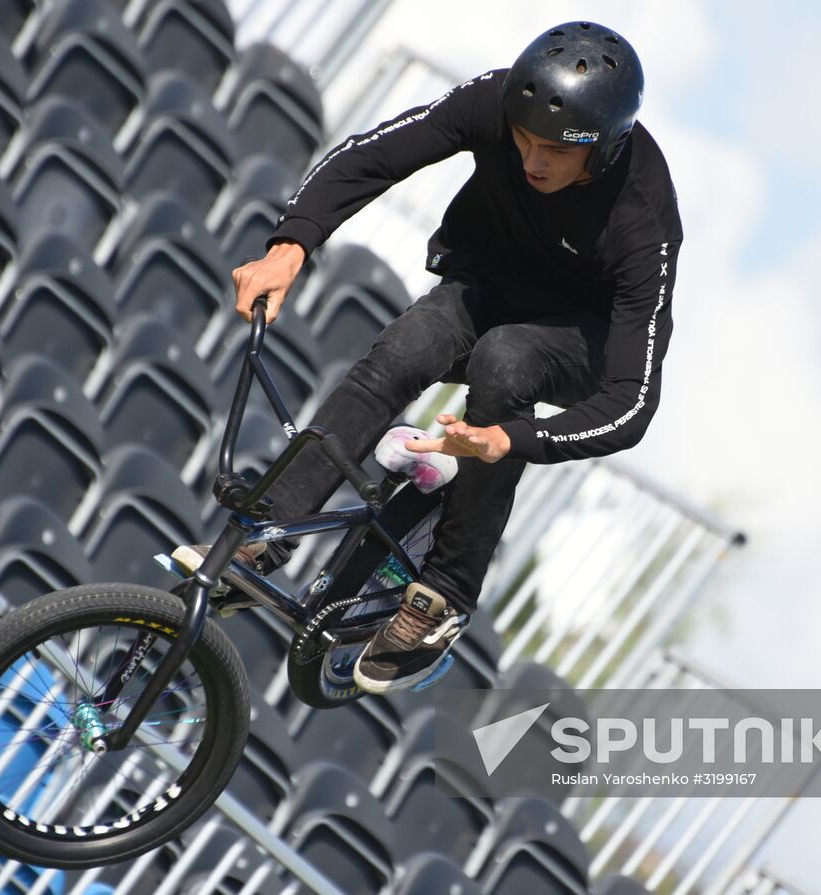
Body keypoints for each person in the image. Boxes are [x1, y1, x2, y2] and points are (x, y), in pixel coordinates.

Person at [177, 20, 683, 695]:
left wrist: (511, 437)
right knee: (405, 346)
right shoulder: (494, 102)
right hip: (487, 286)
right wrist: (290, 246)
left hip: (576, 338)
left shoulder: (642, 218)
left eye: (554, 153)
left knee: (505, 362)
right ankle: (272, 527)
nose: (533, 163)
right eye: (524, 142)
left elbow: (633, 400)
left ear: (604, 146)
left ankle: (445, 592)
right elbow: (371, 155)